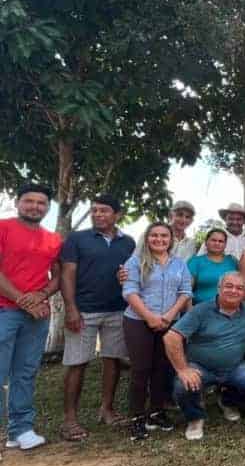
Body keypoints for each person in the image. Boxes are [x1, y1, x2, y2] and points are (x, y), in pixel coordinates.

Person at [163, 272, 245, 440]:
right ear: (219, 288)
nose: (234, 291)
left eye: (239, 288)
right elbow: (171, 337)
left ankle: (227, 401)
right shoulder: (201, 310)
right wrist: (183, 369)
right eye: (229, 286)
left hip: (233, 367)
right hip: (200, 366)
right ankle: (195, 418)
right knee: (183, 385)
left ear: (244, 292)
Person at [60, 195, 135, 441]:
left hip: (118, 309)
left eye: (104, 210)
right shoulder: (77, 239)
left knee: (113, 360)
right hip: (84, 311)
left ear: (117, 214)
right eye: (94, 210)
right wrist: (70, 307)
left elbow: (131, 273)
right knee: (77, 362)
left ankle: (107, 410)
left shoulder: (128, 242)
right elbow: (67, 274)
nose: (98, 214)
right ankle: (70, 420)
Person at [0, 183, 62, 451]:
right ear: (18, 203)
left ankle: (20, 430)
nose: (35, 206)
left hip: (37, 314)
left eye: (41, 203)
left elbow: (58, 276)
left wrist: (42, 294)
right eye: (29, 201)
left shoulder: (53, 239)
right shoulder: (3, 228)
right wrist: (23, 301)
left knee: (25, 373)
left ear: (47, 207)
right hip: (5, 310)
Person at [122, 222, 192, 440]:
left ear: (170, 240)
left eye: (164, 236)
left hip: (169, 321)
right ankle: (137, 417)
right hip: (138, 321)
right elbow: (130, 291)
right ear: (147, 237)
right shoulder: (135, 261)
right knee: (141, 370)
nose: (159, 239)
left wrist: (170, 315)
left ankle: (156, 412)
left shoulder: (179, 264)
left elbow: (185, 291)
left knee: (162, 369)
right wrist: (149, 317)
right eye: (154, 235)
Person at [187, 228, 239, 304]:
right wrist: (190, 309)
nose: (217, 243)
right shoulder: (195, 262)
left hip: (229, 307)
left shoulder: (232, 261)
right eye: (213, 240)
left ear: (225, 245)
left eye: (221, 241)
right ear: (206, 242)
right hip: (201, 307)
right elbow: (187, 290)